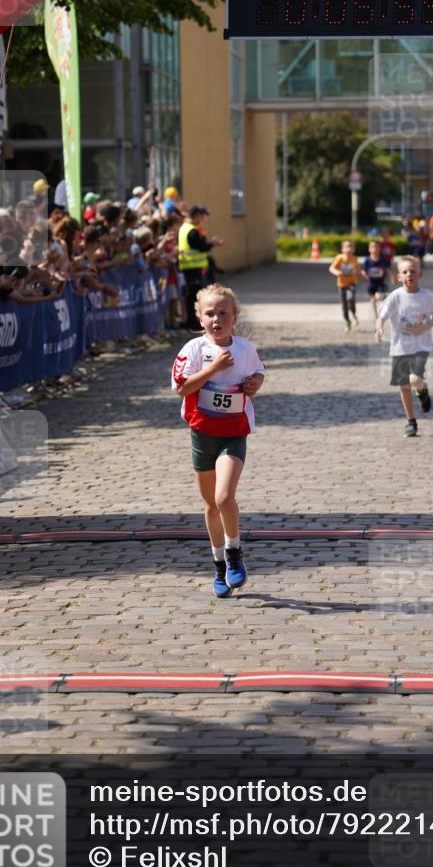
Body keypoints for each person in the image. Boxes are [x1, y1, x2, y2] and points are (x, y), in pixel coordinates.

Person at [171, 284, 265, 598]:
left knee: (225, 497)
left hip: (234, 432)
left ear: (234, 318)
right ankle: (218, 564)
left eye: (223, 313)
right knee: (211, 504)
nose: (216, 319)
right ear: (200, 318)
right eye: (210, 313)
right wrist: (212, 368)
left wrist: (254, 384)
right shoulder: (193, 349)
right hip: (202, 432)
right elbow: (182, 389)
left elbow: (258, 372)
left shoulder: (245, 349)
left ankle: (234, 551)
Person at [376, 255, 433, 438]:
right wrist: (379, 327)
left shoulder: (427, 296)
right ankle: (411, 421)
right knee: (404, 386)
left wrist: (424, 327)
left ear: (420, 274)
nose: (409, 275)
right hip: (399, 347)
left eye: (412, 271)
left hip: (421, 345)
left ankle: (423, 391)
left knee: (414, 379)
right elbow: (382, 315)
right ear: (399, 277)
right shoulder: (395, 296)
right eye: (405, 272)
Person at [178, 205, 225, 329]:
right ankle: (193, 323)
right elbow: (201, 247)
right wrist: (212, 243)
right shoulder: (192, 230)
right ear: (197, 216)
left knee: (192, 295)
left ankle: (192, 322)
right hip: (192, 267)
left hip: (190, 267)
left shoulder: (185, 228)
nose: (203, 219)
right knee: (193, 296)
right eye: (201, 216)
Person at [329, 239, 360, 331]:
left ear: (354, 249)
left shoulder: (354, 259)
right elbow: (331, 268)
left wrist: (363, 274)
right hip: (341, 284)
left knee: (350, 298)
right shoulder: (339, 258)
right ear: (342, 249)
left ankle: (354, 315)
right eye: (347, 246)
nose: (349, 248)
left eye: (351, 246)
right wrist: (337, 272)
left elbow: (358, 269)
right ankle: (347, 321)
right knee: (344, 304)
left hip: (352, 283)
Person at [361, 239, 395, 319]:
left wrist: (392, 277)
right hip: (371, 283)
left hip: (380, 282)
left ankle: (381, 309)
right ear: (369, 249)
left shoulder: (383, 259)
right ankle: (375, 314)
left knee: (378, 296)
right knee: (373, 299)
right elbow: (363, 270)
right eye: (372, 247)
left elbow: (389, 269)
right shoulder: (367, 260)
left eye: (377, 247)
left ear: (380, 249)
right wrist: (365, 275)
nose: (375, 249)